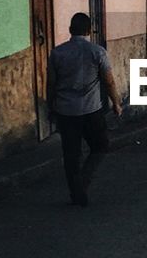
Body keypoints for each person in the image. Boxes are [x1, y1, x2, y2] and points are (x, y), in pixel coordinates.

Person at [46, 12, 121, 206]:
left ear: (71, 30)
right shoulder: (97, 52)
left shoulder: (57, 53)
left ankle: (75, 189)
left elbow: (51, 83)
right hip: (91, 110)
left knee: (71, 154)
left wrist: (50, 107)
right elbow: (109, 81)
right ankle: (82, 182)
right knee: (100, 146)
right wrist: (117, 103)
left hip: (65, 111)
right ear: (89, 31)